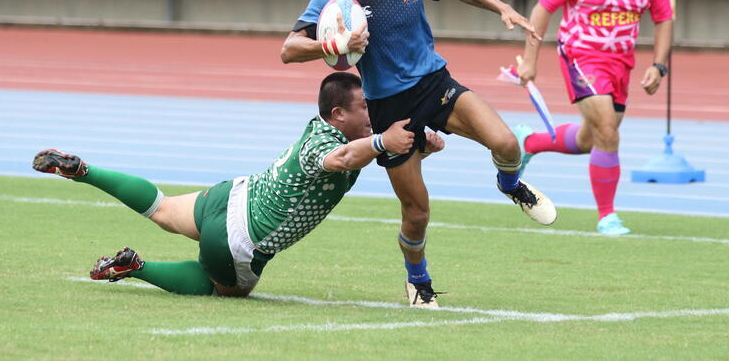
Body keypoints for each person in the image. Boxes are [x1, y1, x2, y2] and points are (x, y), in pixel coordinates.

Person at [281, 0, 556, 308]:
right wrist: (334, 42)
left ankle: (511, 184)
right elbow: (288, 49)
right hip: (389, 108)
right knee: (417, 211)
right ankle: (418, 279)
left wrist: (502, 7)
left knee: (505, 143)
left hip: (434, 84)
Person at [32, 72, 445, 298]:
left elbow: (369, 151)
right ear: (338, 114)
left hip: (231, 197)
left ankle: (84, 170)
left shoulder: (330, 130)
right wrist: (381, 141)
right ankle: (137, 267)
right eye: (365, 107)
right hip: (241, 239)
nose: (373, 112)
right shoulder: (326, 143)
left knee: (161, 208)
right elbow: (342, 158)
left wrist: (419, 146)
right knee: (223, 290)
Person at [516, 0, 673, 235]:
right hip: (581, 56)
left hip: (621, 63)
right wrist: (530, 60)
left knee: (592, 138)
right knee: (607, 131)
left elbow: (664, 19)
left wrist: (659, 66)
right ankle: (607, 216)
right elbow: (544, 7)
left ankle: (529, 143)